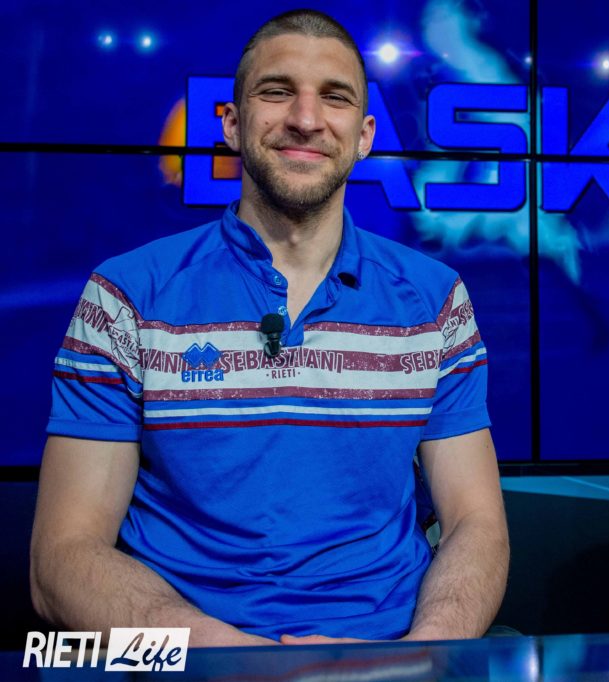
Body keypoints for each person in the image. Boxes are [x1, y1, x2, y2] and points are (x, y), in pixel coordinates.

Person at [30, 9, 508, 647]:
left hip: (389, 656)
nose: (306, 119)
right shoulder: (124, 296)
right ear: (231, 123)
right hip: (192, 661)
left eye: (334, 98)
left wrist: (420, 654)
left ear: (365, 135)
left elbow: (477, 524)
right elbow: (60, 562)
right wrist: (233, 657)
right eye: (277, 91)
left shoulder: (435, 299)